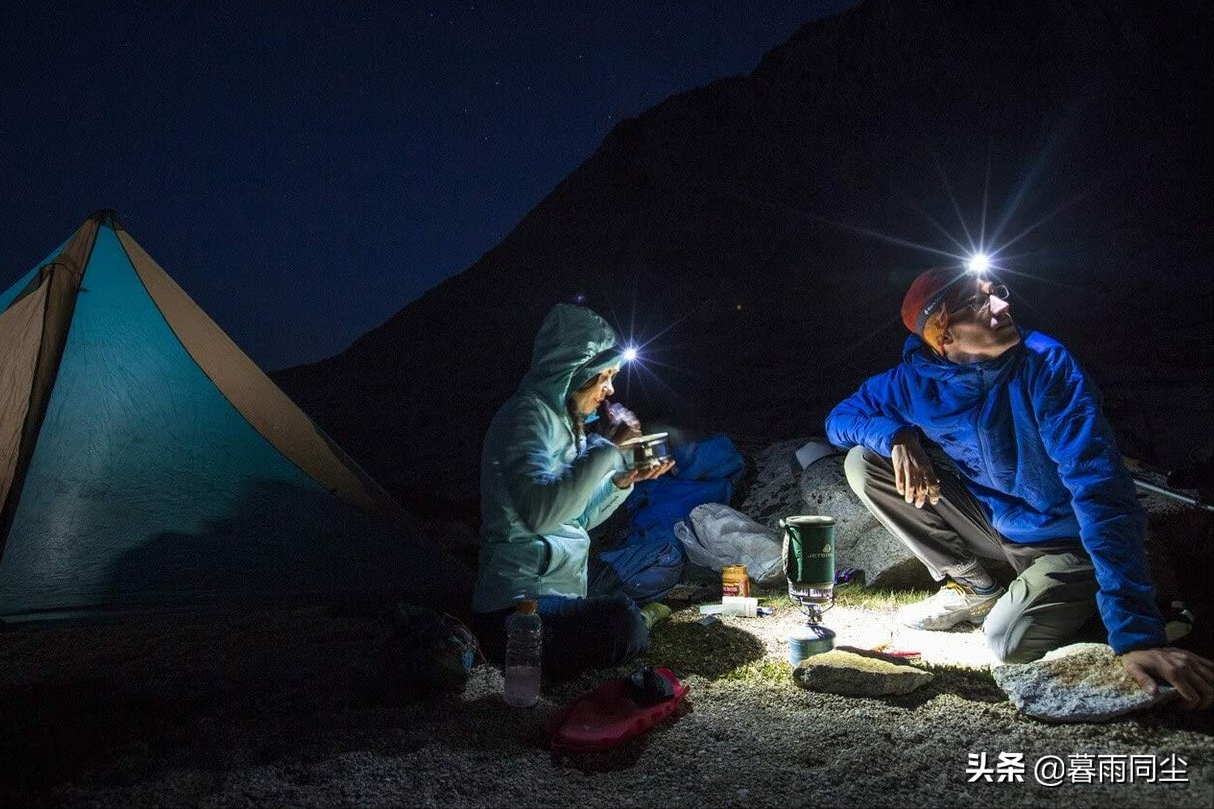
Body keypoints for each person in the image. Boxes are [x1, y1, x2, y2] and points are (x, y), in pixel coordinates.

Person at [825, 267, 1214, 709]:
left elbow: (1100, 488)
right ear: (943, 336)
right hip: (998, 527)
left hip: (1068, 541)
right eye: (978, 303)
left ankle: (1150, 602)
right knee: (865, 461)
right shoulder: (913, 381)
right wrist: (897, 435)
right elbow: (840, 417)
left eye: (996, 293)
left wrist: (1137, 635)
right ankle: (975, 588)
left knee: (1007, 643)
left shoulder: (1045, 364)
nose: (1003, 305)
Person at [470, 303, 676, 677]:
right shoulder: (526, 417)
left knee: (664, 554)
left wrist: (620, 481)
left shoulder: (570, 422)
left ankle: (599, 611)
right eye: (605, 376)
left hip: (570, 581)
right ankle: (630, 618)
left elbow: (576, 516)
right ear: (575, 372)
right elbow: (541, 513)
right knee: (621, 623)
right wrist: (608, 448)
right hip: (523, 603)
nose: (610, 389)